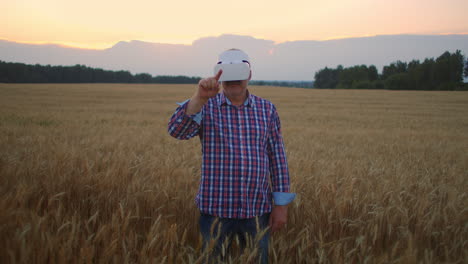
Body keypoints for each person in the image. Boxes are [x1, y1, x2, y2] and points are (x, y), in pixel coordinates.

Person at [168, 49, 295, 263]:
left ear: (249, 75)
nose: (234, 81)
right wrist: (199, 98)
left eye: (239, 74)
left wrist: (281, 206)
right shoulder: (205, 106)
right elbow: (177, 132)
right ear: (219, 75)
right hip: (215, 211)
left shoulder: (267, 109)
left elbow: (277, 158)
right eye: (228, 75)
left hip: (257, 211)